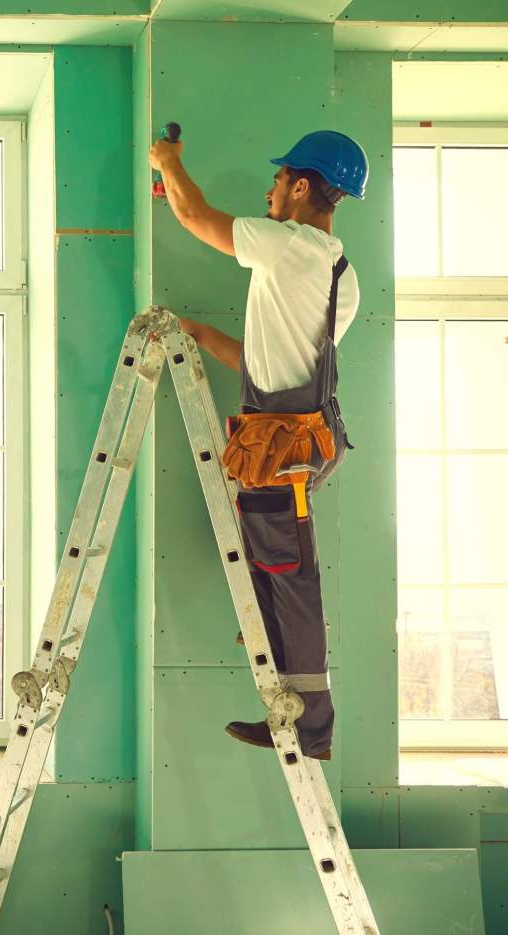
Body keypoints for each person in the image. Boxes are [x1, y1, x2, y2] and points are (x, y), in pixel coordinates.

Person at [148, 130, 368, 759]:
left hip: (281, 452)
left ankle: (309, 725)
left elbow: (196, 216)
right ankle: (293, 715)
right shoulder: (338, 274)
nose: (268, 191)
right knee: (278, 574)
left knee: (288, 579)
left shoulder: (290, 244)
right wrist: (202, 335)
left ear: (302, 187)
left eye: (278, 181)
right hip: (294, 442)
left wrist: (169, 164)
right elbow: (269, 364)